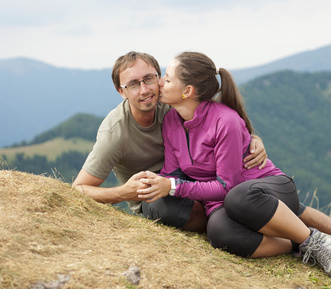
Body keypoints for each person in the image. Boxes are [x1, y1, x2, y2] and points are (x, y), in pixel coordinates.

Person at [137, 51, 331, 279]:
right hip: (227, 204)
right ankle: (303, 242)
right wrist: (163, 184)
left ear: (187, 91)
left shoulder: (225, 121)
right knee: (218, 231)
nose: (160, 82)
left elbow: (223, 186)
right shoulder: (172, 122)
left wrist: (173, 186)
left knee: (238, 195)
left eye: (167, 78)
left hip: (267, 192)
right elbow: (175, 174)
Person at [72, 51, 267, 233]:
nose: (144, 90)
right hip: (160, 196)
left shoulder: (171, 105)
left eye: (149, 79)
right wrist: (123, 193)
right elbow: (79, 188)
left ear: (159, 78)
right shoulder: (114, 133)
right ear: (121, 92)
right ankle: (226, 224)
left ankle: (237, 221)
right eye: (133, 84)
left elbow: (219, 123)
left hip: (198, 182)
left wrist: (252, 139)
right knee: (159, 205)